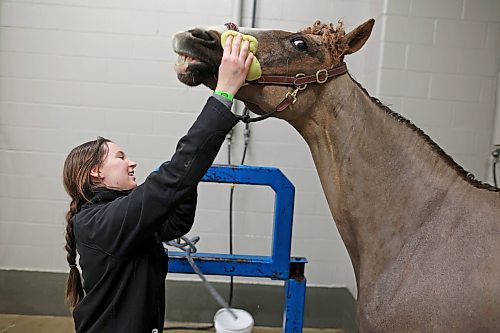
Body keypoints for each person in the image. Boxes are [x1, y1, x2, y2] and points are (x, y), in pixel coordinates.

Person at [62, 34, 253, 333]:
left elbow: (174, 222)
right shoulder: (100, 222)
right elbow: (169, 182)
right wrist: (224, 93)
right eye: (120, 157)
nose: (131, 162)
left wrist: (186, 174)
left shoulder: (115, 217)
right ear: (95, 172)